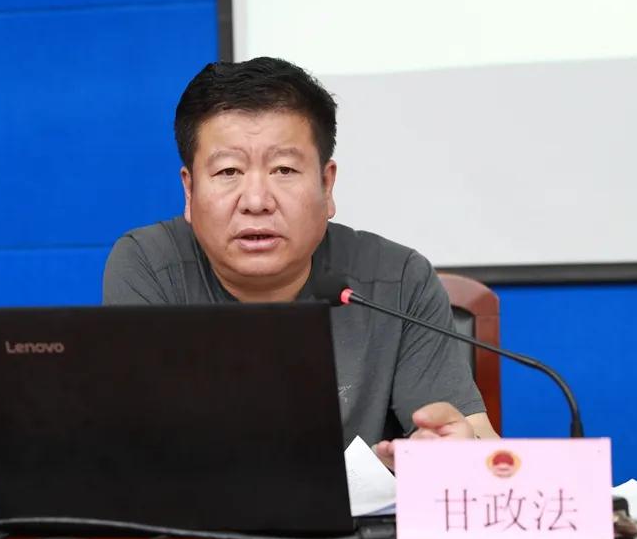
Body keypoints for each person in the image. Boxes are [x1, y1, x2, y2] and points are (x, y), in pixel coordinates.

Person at [103, 57, 498, 468]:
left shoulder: (398, 280)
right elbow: (136, 450)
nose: (256, 201)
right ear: (189, 190)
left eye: (284, 169)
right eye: (228, 171)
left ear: (326, 185)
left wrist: (461, 451)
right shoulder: (149, 267)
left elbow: (478, 441)